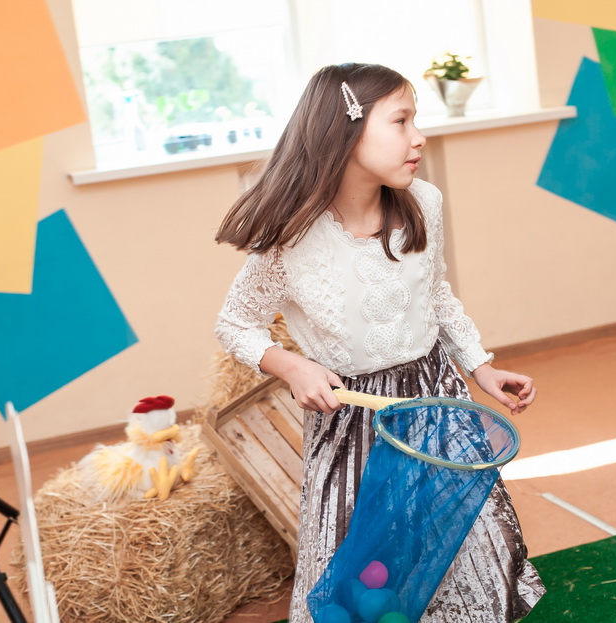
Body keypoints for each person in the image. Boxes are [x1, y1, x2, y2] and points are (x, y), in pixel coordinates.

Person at [215, 63, 544, 622]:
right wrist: (293, 367)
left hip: (434, 398)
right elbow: (234, 324)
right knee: (361, 559)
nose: (419, 138)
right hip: (352, 418)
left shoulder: (423, 203)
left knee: (460, 540)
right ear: (346, 130)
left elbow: (436, 294)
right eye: (401, 121)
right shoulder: (290, 236)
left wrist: (479, 366)